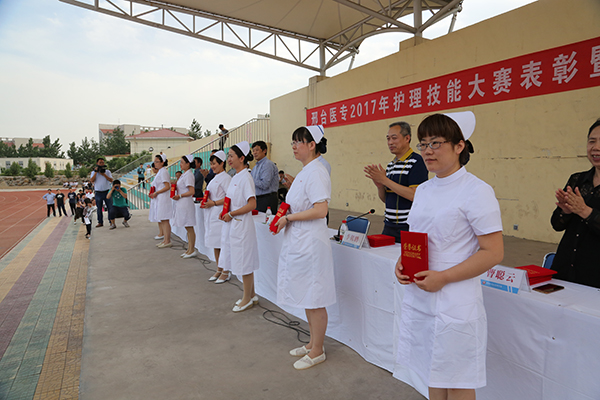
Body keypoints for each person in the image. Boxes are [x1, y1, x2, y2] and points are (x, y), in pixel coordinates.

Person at [395, 112, 504, 400]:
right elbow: (418, 237)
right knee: (431, 370)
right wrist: (402, 262)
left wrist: (444, 277)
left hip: (455, 297)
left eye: (436, 143)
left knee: (456, 380)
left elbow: (494, 252)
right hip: (421, 293)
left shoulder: (477, 191)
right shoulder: (424, 190)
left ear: (459, 146)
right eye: (423, 144)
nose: (427, 151)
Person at [272, 125, 334, 371]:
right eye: (293, 142)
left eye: (298, 142)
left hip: (310, 243)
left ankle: (318, 350)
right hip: (301, 240)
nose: (294, 146)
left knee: (315, 297)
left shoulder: (317, 171)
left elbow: (321, 210)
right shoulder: (306, 171)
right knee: (308, 295)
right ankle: (311, 343)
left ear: (312, 145)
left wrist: (289, 218)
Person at [551, 118, 600, 288]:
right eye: (592, 141)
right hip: (565, 268)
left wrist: (585, 211)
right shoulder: (577, 179)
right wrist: (565, 212)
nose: (596, 147)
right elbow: (556, 225)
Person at [364, 121, 428, 242]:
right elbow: (386, 199)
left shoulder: (417, 161)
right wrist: (380, 186)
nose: (390, 142)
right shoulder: (391, 165)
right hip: (389, 226)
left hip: (408, 226)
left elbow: (415, 195)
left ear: (407, 138)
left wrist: (385, 180)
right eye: (388, 139)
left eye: (394, 138)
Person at [219, 141, 259, 312]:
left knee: (244, 262)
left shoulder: (246, 177)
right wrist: (226, 212)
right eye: (228, 156)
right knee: (241, 259)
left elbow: (252, 204)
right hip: (234, 224)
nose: (228, 159)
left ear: (241, 158)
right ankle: (253, 295)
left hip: (242, 226)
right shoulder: (236, 176)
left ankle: (246, 299)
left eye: (231, 156)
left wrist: (232, 213)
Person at [201, 150, 232, 281]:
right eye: (211, 164)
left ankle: (226, 271)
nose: (212, 166)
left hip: (219, 213)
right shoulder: (215, 178)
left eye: (214, 164)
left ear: (222, 163)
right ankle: (219, 269)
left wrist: (213, 203)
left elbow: (229, 197)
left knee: (222, 243)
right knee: (215, 243)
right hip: (211, 212)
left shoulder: (226, 178)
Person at [172, 155, 198, 258]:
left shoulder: (189, 175)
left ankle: (192, 249)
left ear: (188, 164)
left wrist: (180, 195)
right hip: (182, 203)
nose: (180, 164)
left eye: (182, 162)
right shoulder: (184, 174)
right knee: (187, 227)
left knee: (189, 227)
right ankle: (189, 249)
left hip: (186, 203)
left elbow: (191, 191)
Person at [149, 154, 173, 248]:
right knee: (162, 219)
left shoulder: (163, 172)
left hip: (163, 198)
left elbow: (167, 186)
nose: (155, 163)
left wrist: (157, 192)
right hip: (159, 198)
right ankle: (165, 240)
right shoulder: (160, 172)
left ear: (162, 162)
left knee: (165, 219)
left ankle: (167, 241)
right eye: (154, 161)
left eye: (157, 161)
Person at [251, 141, 279, 213]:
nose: (254, 153)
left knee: (267, 219)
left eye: (257, 150)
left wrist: (250, 179)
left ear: (264, 151)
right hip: (258, 199)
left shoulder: (268, 164)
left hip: (267, 199)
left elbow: (264, 184)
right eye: (253, 151)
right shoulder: (255, 167)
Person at [90, 157, 113, 227]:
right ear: (97, 163)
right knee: (99, 208)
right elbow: (92, 180)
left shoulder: (107, 172)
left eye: (103, 162)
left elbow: (111, 180)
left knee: (110, 207)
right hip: (98, 192)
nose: (102, 164)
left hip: (107, 191)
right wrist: (96, 172)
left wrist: (104, 174)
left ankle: (111, 221)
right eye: (100, 162)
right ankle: (100, 222)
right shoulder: (93, 172)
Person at [148, 162, 164, 240]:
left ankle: (162, 233)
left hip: (158, 197)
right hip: (155, 197)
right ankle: (161, 232)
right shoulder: (157, 176)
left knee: (160, 218)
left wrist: (155, 193)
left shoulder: (161, 174)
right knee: (158, 217)